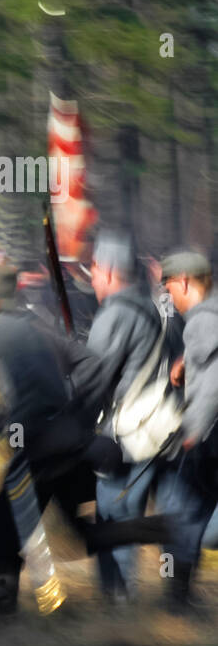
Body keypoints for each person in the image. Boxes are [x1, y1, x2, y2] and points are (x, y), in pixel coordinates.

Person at [0, 264, 103, 615]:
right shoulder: (38, 326)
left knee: (7, 524)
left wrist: (13, 436)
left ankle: (9, 609)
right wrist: (78, 409)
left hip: (36, 442)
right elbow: (89, 366)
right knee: (39, 525)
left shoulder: (1, 335)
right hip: (61, 437)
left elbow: (12, 399)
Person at [85, 230, 181, 602]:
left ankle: (118, 605)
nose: (92, 277)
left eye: (93, 269)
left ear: (108, 272)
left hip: (131, 434)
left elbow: (92, 380)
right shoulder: (162, 305)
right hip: (169, 428)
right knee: (170, 521)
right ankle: (178, 598)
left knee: (117, 517)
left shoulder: (115, 313)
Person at [155, 249, 218, 609]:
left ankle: (176, 601)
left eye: (169, 290)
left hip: (209, 437)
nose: (169, 298)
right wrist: (185, 363)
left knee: (182, 514)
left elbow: (213, 382)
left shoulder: (201, 320)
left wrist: (191, 431)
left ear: (183, 282)